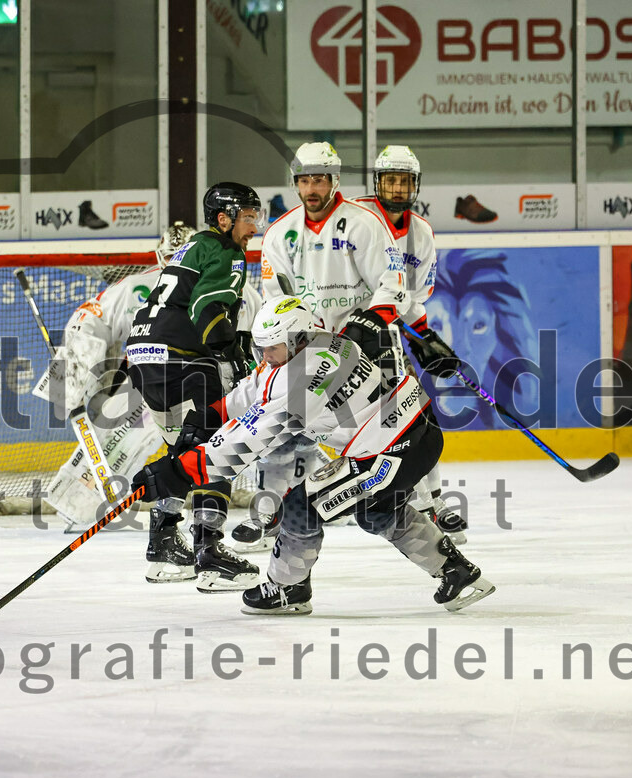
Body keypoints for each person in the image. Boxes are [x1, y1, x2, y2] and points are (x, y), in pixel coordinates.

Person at [132, 296, 496, 615]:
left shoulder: (307, 378)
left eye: (271, 348)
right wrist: (209, 416)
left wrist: (178, 472)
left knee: (301, 505)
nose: (265, 356)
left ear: (298, 339)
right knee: (377, 511)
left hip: (394, 447)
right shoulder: (318, 344)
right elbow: (258, 386)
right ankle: (457, 574)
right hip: (408, 432)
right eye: (262, 348)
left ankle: (287, 589)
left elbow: (251, 439)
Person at [232, 141, 409, 554]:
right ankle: (266, 513)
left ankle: (417, 507)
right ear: (296, 183)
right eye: (305, 180)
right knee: (282, 430)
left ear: (334, 181)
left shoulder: (363, 224)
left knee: (389, 427)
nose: (312, 188)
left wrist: (372, 321)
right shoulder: (280, 233)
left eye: (320, 179)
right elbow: (276, 299)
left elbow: (392, 282)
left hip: (363, 347)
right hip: (306, 351)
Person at [125, 182, 267, 592]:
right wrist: (230, 349)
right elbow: (206, 308)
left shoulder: (193, 248)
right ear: (223, 219)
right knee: (216, 447)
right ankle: (209, 554)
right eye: (247, 216)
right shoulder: (226, 251)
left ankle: (163, 544)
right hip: (182, 358)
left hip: (145, 355)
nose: (253, 224)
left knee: (182, 453)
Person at [33, 221, 197, 529]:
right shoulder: (136, 288)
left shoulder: (219, 287)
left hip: (201, 382)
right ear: (160, 257)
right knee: (117, 441)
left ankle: (229, 509)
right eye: (170, 258)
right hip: (147, 382)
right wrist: (71, 375)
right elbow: (89, 318)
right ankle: (79, 504)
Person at [352, 145, 469, 539]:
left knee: (415, 415)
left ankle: (431, 504)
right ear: (377, 183)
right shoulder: (356, 217)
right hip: (340, 336)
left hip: (384, 335)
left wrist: (426, 337)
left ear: (415, 185)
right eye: (390, 180)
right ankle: (276, 511)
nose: (397, 189)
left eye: (404, 181)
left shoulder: (420, 233)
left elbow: (410, 297)